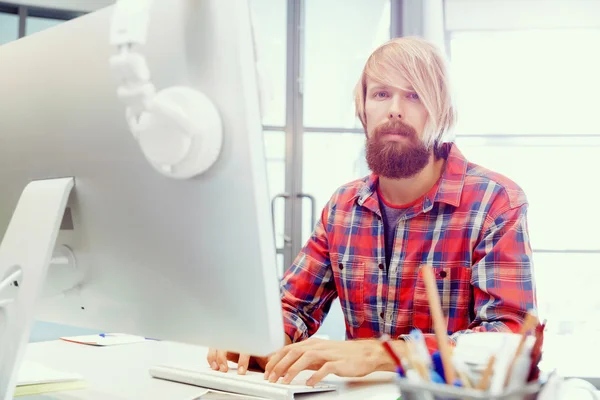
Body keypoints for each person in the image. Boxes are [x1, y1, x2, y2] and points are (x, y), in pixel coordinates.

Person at [207, 36, 536, 386]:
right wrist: (258, 340)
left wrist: (379, 353)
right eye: (381, 94)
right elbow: (292, 307)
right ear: (363, 109)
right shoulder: (342, 208)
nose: (395, 109)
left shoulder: (496, 203)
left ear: (441, 111)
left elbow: (510, 340)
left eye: (414, 95)